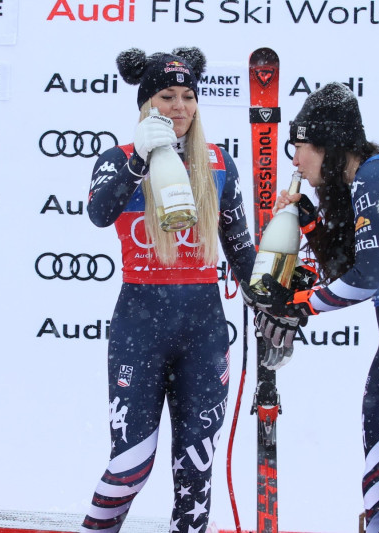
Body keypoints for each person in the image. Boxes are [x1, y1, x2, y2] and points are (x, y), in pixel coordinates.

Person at [80, 47, 256, 533]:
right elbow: (99, 213)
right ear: (146, 103)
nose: (179, 106)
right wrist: (139, 158)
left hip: (202, 329)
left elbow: (243, 255)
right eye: (166, 96)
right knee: (131, 463)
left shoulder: (219, 164)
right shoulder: (118, 159)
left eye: (188, 96)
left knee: (196, 467)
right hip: (140, 325)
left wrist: (277, 300)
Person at [251, 82, 379, 533]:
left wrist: (298, 307)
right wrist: (309, 219)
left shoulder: (378, 172)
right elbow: (347, 264)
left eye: (300, 147)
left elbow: (367, 279)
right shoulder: (361, 181)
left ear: (327, 145)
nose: (294, 160)